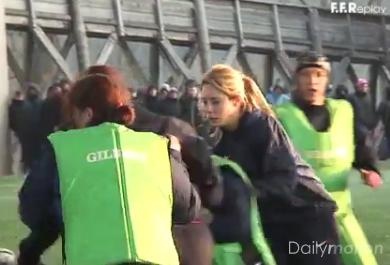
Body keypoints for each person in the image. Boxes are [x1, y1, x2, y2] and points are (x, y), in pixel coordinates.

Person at [18, 72, 201, 265]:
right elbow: (186, 210)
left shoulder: (62, 147)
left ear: (87, 113)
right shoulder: (156, 145)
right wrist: (175, 158)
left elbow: (33, 212)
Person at [200, 64, 341, 265]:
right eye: (204, 102)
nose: (208, 109)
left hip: (309, 217)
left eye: (215, 102)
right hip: (275, 222)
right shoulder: (221, 141)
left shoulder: (262, 126)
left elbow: (284, 179)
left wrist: (243, 192)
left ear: (237, 101)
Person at [83, 65, 222, 265]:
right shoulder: (175, 128)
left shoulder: (91, 141)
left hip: (125, 237)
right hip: (185, 231)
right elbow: (214, 192)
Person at [275, 52, 382, 265]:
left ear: (327, 79)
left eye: (319, 74)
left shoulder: (344, 111)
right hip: (300, 215)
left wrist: (369, 168)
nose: (312, 81)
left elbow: (360, 143)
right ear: (297, 79)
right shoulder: (280, 116)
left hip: (340, 212)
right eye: (306, 75)